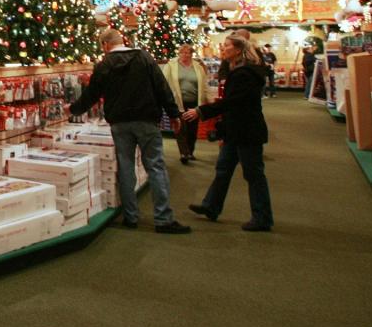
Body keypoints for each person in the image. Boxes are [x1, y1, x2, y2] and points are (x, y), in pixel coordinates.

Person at [68, 28, 191, 234]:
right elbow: (162, 87)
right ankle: (163, 219)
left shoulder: (104, 65)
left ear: (105, 45)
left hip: (120, 123)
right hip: (146, 120)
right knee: (156, 167)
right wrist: (173, 114)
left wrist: (73, 109)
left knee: (125, 167)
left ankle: (130, 217)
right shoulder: (143, 57)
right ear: (121, 40)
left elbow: (91, 95)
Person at [184, 34, 274, 231]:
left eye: (226, 46)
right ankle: (211, 206)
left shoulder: (245, 74)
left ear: (238, 50)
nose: (222, 49)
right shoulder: (240, 71)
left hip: (247, 131)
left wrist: (201, 111)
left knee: (253, 173)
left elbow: (233, 102)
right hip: (235, 130)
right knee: (223, 169)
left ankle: (263, 217)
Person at [163, 43, 211, 164]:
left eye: (187, 53)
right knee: (181, 128)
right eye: (182, 52)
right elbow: (164, 83)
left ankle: (190, 151)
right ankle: (184, 153)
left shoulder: (198, 67)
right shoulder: (171, 66)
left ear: (191, 54)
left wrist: (208, 100)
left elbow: (204, 85)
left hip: (195, 102)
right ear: (179, 53)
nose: (185, 55)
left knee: (192, 130)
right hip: (178, 102)